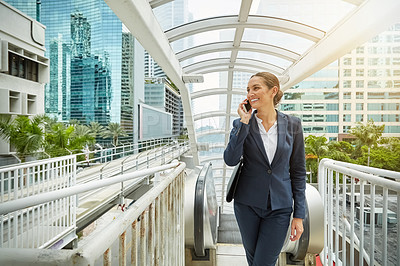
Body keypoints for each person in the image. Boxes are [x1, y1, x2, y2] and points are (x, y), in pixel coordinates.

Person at [223, 72, 306, 265]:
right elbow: (231, 159)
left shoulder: (293, 124)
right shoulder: (241, 124)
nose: (251, 93)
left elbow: (298, 172)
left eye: (256, 88)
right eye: (248, 90)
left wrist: (299, 215)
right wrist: (244, 123)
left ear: (273, 91)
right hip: (247, 206)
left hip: (280, 207)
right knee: (255, 261)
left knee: (263, 262)